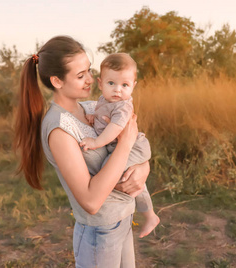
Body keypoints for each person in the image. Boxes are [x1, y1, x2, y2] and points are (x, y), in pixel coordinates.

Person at [14, 36, 150, 267]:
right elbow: (91, 201)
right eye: (80, 76)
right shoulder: (59, 128)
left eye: (88, 70)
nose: (90, 80)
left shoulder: (91, 107)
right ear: (57, 81)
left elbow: (134, 143)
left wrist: (143, 168)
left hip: (124, 218)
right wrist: (125, 145)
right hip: (100, 233)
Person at [79, 53, 160, 238]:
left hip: (134, 146)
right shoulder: (103, 101)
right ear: (100, 84)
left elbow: (115, 128)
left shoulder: (123, 106)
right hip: (121, 146)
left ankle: (146, 213)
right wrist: (94, 118)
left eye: (125, 85)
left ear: (133, 86)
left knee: (113, 171)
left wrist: (96, 142)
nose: (118, 90)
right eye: (111, 83)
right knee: (129, 175)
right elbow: (103, 118)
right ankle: (150, 215)